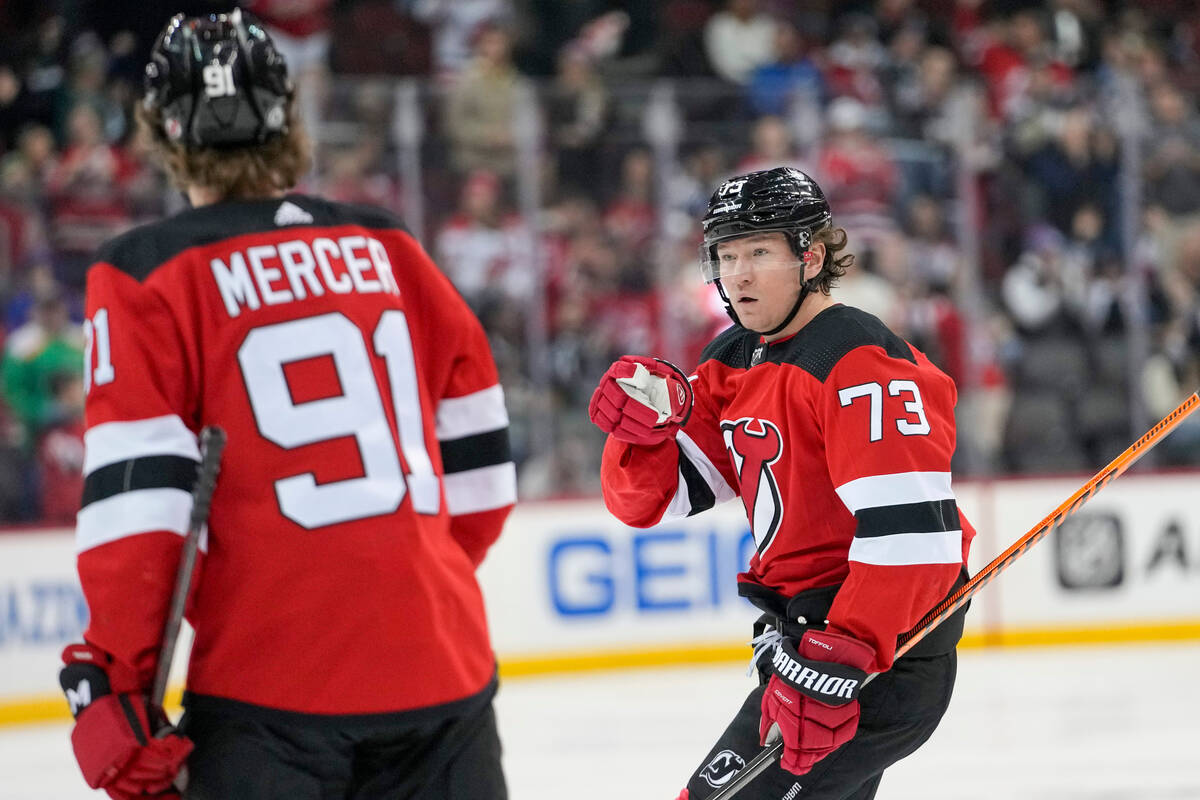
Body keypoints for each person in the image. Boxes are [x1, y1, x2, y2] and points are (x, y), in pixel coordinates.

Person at [57, 10, 515, 800]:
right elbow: (481, 474)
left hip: (267, 693)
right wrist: (395, 584)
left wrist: (117, 681)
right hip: (444, 671)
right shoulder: (391, 247)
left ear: (166, 134)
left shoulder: (143, 274)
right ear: (286, 118)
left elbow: (140, 511)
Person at [588, 166, 974, 800]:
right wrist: (642, 432)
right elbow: (651, 501)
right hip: (808, 641)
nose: (737, 273)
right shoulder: (735, 357)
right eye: (726, 254)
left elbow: (913, 538)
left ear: (811, 256)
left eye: (760, 251)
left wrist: (837, 659)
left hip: (876, 651)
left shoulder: (859, 362)